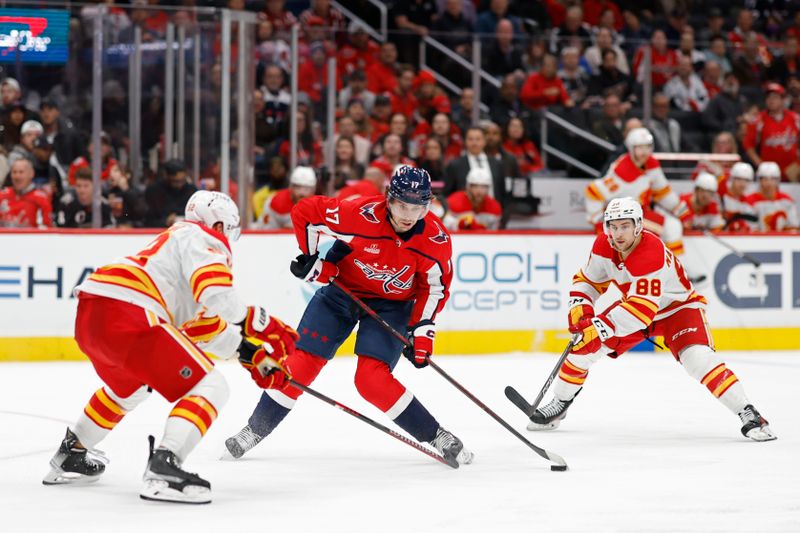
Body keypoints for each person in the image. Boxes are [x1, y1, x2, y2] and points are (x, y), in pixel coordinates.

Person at [42, 190, 299, 503]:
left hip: (94, 314)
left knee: (130, 388)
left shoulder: (175, 250)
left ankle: (73, 452)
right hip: (130, 310)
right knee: (212, 386)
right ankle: (165, 467)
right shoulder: (202, 237)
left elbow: (206, 328)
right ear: (219, 225)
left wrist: (251, 355)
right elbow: (217, 294)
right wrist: (261, 323)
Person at [224, 166, 474, 467]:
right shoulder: (359, 214)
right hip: (341, 294)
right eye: (402, 206)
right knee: (300, 365)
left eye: (418, 207)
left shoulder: (435, 241)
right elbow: (306, 211)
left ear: (428, 204)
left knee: (371, 380)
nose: (409, 215)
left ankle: (437, 436)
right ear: (388, 199)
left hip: (392, 306)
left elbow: (434, 288)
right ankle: (255, 429)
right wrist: (312, 257)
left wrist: (422, 330)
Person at [526, 197, 776, 443]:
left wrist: (598, 327)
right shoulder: (604, 245)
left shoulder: (650, 250)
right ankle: (560, 403)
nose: (618, 233)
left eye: (624, 226)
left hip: (677, 309)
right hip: (636, 306)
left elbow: (640, 312)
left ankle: (748, 412)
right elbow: (588, 281)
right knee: (583, 347)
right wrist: (581, 309)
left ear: (638, 225)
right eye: (613, 226)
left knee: (697, 360)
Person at [585, 128, 698, 279]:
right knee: (671, 227)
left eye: (647, 147)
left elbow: (662, 191)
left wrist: (682, 212)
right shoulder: (623, 171)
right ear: (631, 149)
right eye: (640, 148)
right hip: (623, 219)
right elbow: (593, 191)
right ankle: (678, 274)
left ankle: (670, 272)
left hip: (640, 213)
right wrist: (599, 222)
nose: (644, 152)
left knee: (670, 228)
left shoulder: (651, 164)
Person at [0, 158, 51, 227]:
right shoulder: (2, 195)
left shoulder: (41, 199)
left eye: (21, 172)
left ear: (31, 174)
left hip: (31, 237)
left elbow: (47, 228)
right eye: (14, 172)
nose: (17, 176)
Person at [749, 162, 799, 231]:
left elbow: (794, 227)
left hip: (783, 240)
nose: (769, 183)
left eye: (773, 179)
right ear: (759, 180)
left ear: (778, 180)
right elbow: (750, 229)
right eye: (765, 179)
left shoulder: (787, 200)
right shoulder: (750, 201)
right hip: (758, 240)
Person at [720, 162, 757, 232]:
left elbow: (753, 229)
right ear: (732, 178)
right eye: (739, 179)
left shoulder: (748, 204)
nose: (742, 184)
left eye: (746, 180)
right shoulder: (721, 197)